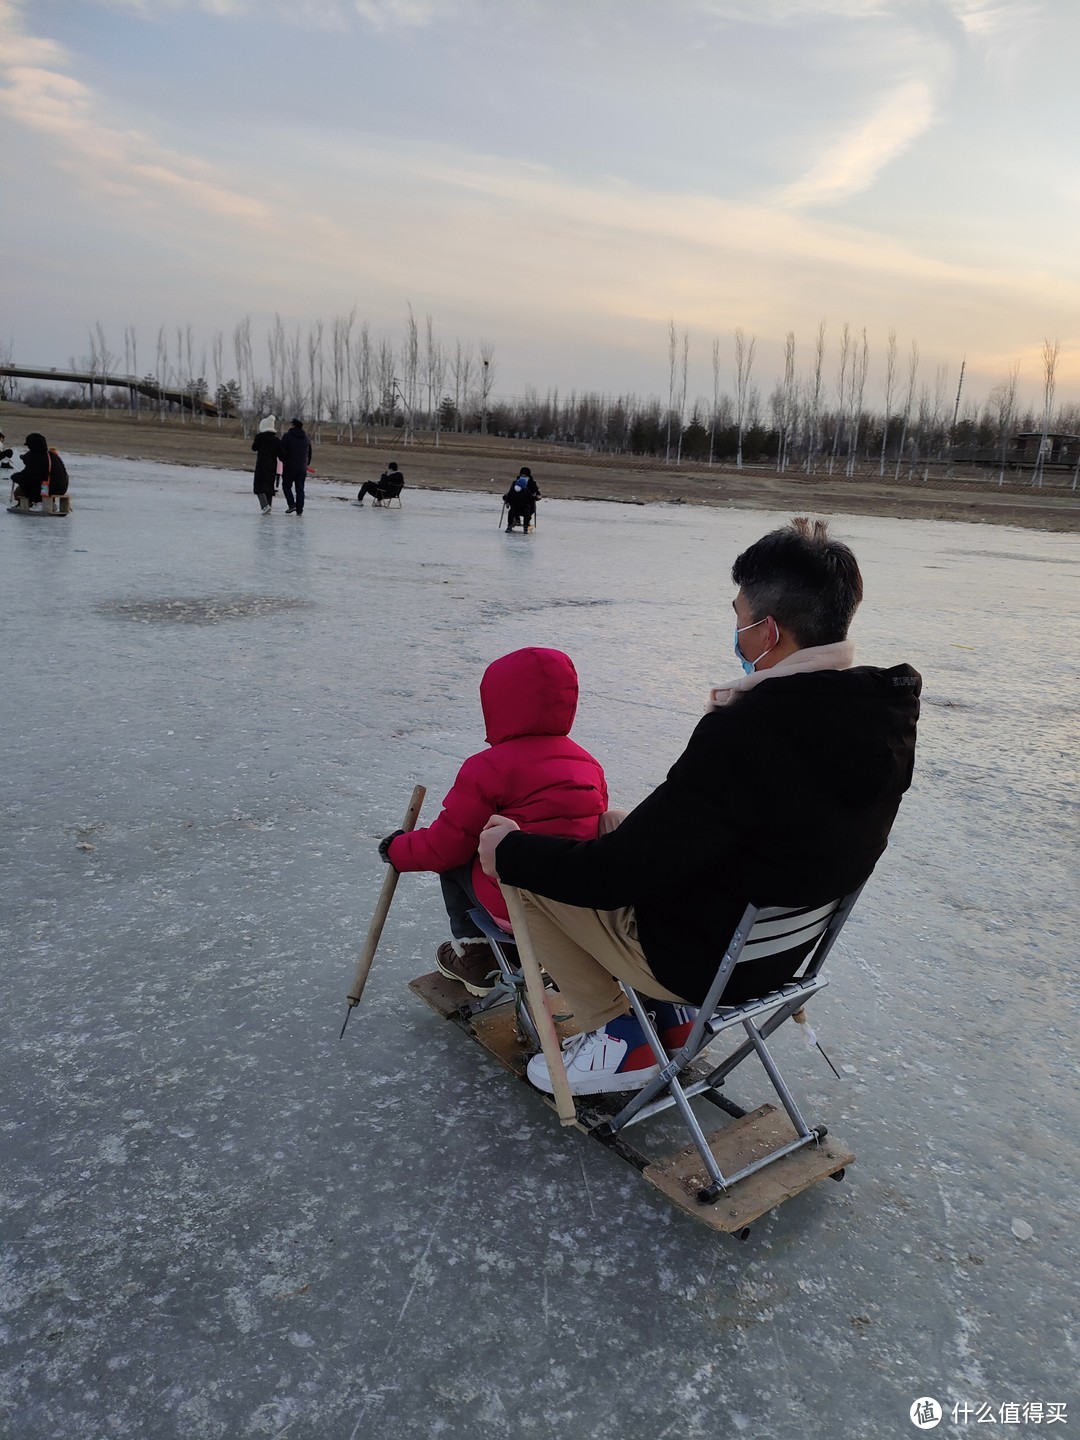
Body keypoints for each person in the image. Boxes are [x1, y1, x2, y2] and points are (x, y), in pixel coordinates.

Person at [479, 518, 922, 1097]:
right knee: (608, 825)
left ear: (770, 632)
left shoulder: (753, 733)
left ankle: (618, 1036)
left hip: (702, 963)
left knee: (528, 876)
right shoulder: (876, 715)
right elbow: (722, 828)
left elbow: (614, 877)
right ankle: (674, 1020)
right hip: (778, 951)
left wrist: (508, 850)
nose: (735, 628)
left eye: (740, 615)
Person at [379, 648, 608, 997]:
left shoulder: (490, 767)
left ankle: (476, 956)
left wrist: (397, 849)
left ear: (498, 704)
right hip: (575, 900)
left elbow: (444, 845)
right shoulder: (587, 763)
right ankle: (526, 952)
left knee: (460, 859)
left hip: (516, 903)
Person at [7, 433, 69, 509]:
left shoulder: (37, 458)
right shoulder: (52, 456)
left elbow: (28, 476)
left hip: (48, 490)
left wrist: (15, 477)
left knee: (19, 491)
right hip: (61, 489)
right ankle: (51, 503)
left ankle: (24, 504)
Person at [279, 418, 311, 515]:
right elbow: (309, 454)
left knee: (286, 486)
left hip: (289, 467)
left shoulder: (287, 436)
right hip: (302, 468)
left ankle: (292, 505)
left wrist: (284, 460)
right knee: (300, 489)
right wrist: (306, 464)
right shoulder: (306, 438)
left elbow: (281, 451)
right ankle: (299, 510)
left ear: (293, 426)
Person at [250, 415, 278, 513]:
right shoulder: (276, 440)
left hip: (262, 464)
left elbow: (254, 448)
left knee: (259, 486)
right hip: (272, 465)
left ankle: (265, 505)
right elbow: (282, 453)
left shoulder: (259, 437)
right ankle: (269, 505)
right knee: (269, 486)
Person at [503, 467, 540, 532]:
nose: (523, 477)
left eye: (525, 475)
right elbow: (510, 494)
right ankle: (512, 523)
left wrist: (536, 497)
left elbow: (538, 495)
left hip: (527, 505)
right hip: (516, 505)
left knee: (527, 510)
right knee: (512, 510)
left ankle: (525, 523)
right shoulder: (515, 483)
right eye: (522, 475)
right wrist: (507, 501)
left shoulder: (532, 484)